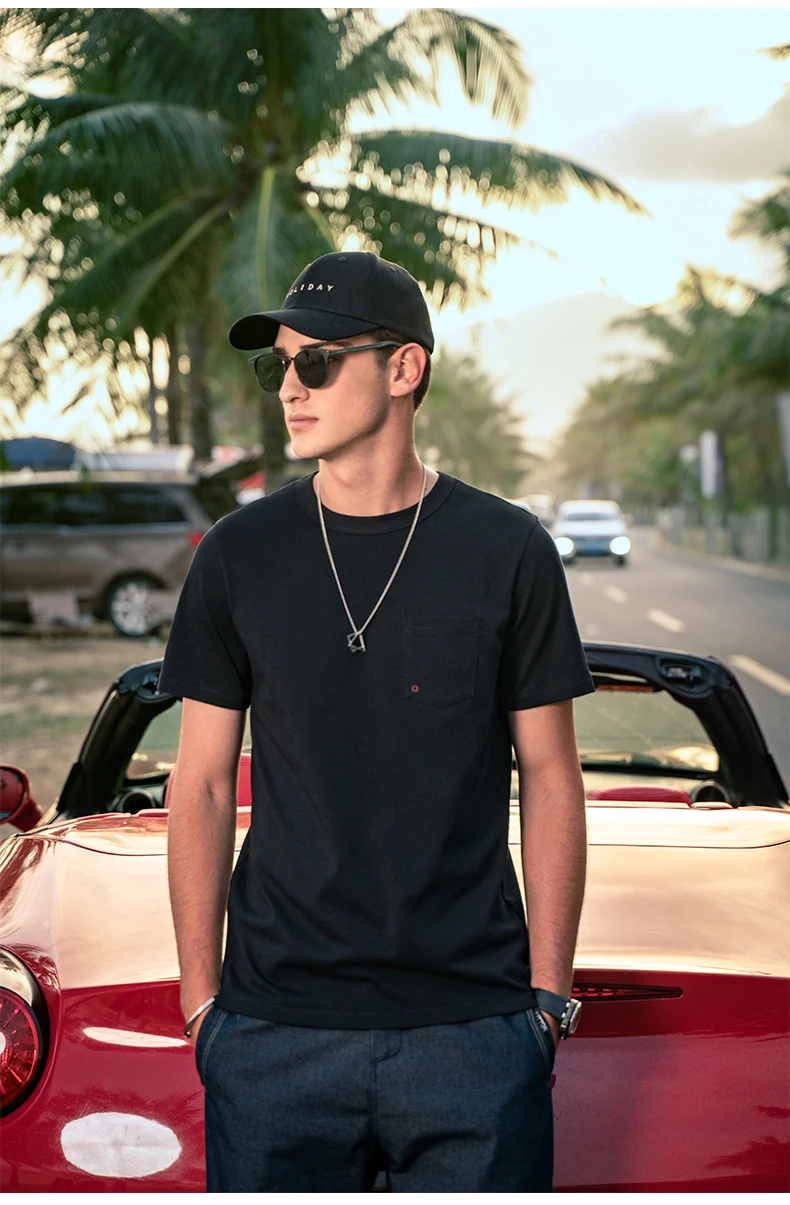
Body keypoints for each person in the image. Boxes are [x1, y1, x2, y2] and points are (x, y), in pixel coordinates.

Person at [160, 250, 593, 1192]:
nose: (290, 387)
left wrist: (545, 1001)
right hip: (273, 1032)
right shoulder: (237, 554)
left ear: (405, 369)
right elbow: (199, 783)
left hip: (474, 1031)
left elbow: (552, 776)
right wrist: (204, 1005)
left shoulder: (508, 548)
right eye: (279, 364)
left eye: (316, 363)